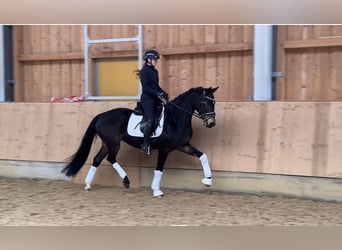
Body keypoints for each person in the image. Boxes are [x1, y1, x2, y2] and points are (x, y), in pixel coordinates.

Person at [136, 49, 169, 154]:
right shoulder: (144, 71)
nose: (156, 61)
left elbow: (156, 86)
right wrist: (157, 93)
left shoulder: (155, 71)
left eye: (156, 59)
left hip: (155, 98)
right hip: (147, 99)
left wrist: (163, 92)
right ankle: (145, 144)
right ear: (148, 59)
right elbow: (146, 88)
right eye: (154, 59)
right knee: (150, 120)